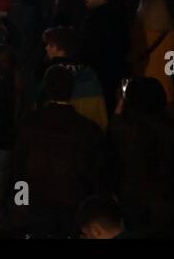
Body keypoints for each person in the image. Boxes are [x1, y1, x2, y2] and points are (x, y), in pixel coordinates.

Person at [11, 64, 107, 238]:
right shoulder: (87, 128)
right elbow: (95, 172)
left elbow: (19, 165)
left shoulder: (31, 122)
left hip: (38, 201)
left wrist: (20, 202)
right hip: (73, 202)